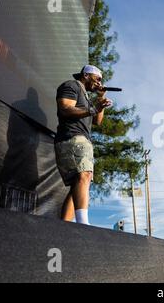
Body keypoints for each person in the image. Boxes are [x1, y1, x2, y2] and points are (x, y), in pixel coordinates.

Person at [54, 65, 112, 225]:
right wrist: (93, 108)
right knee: (84, 175)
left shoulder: (86, 96)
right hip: (73, 137)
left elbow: (98, 121)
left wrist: (100, 100)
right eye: (98, 78)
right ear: (86, 75)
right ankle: (83, 224)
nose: (100, 83)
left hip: (81, 139)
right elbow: (65, 108)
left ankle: (64, 225)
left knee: (77, 186)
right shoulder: (71, 85)